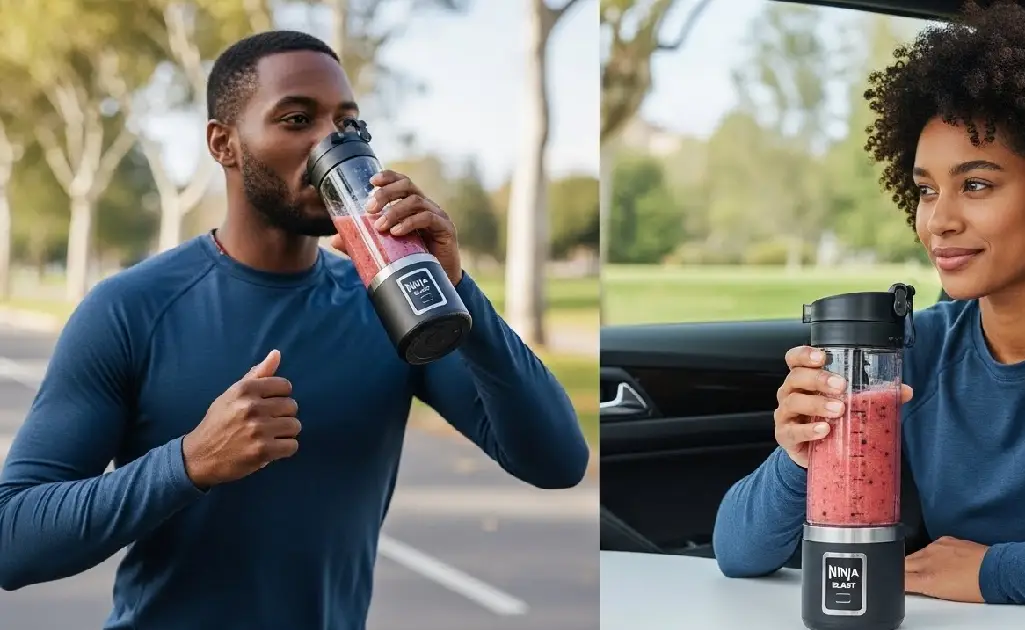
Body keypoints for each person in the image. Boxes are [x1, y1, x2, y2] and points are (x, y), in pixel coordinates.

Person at [0, 31, 589, 629]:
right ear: (223, 144)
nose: (328, 142)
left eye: (349, 125)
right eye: (297, 118)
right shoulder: (128, 310)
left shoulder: (388, 306)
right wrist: (188, 463)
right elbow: (12, 537)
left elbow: (556, 461)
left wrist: (454, 287)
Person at [711, 0, 1025, 617]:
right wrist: (798, 454)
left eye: (976, 184)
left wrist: (999, 570)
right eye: (925, 190)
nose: (939, 220)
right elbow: (737, 551)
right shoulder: (909, 351)